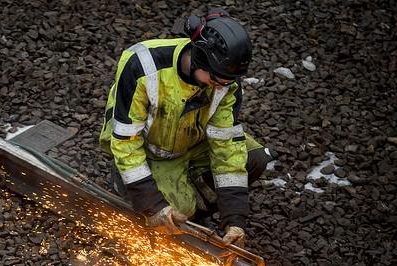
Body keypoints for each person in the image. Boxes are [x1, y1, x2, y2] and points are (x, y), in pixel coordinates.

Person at [99, 7, 274, 246]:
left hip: (191, 142)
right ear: (199, 59)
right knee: (168, 214)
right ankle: (127, 184)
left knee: (255, 158)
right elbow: (125, 141)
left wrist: (235, 218)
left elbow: (228, 148)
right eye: (216, 79)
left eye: (227, 81)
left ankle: (197, 209)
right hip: (148, 150)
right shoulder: (143, 66)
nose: (220, 86)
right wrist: (153, 204)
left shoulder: (225, 80)